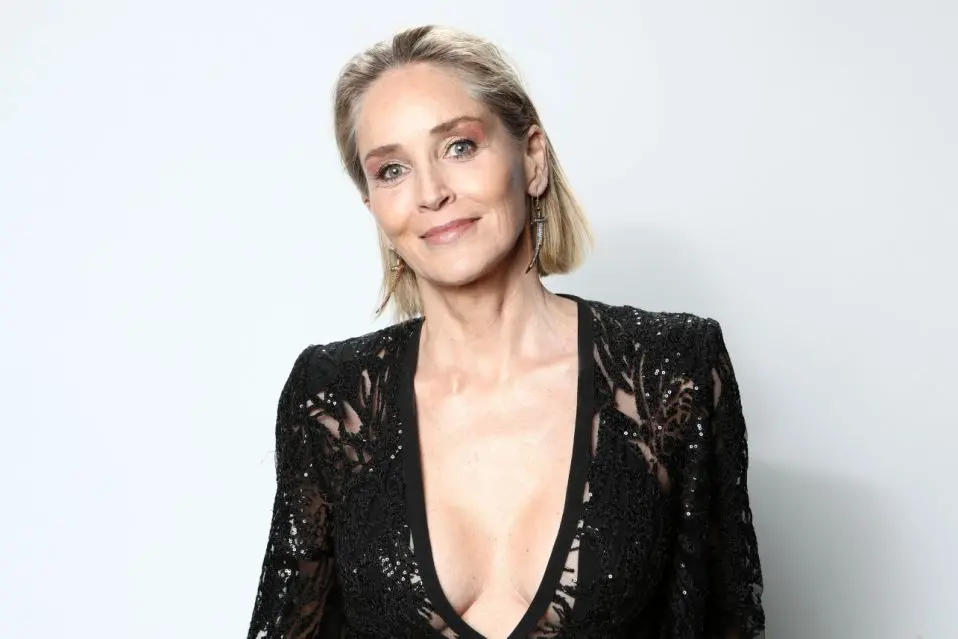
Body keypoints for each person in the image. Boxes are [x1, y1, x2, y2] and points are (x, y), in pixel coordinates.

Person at [246, 24, 765, 639]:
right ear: (374, 208)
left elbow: (725, 619)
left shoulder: (671, 369)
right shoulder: (332, 398)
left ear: (533, 158)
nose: (431, 193)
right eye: (392, 170)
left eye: (459, 147)